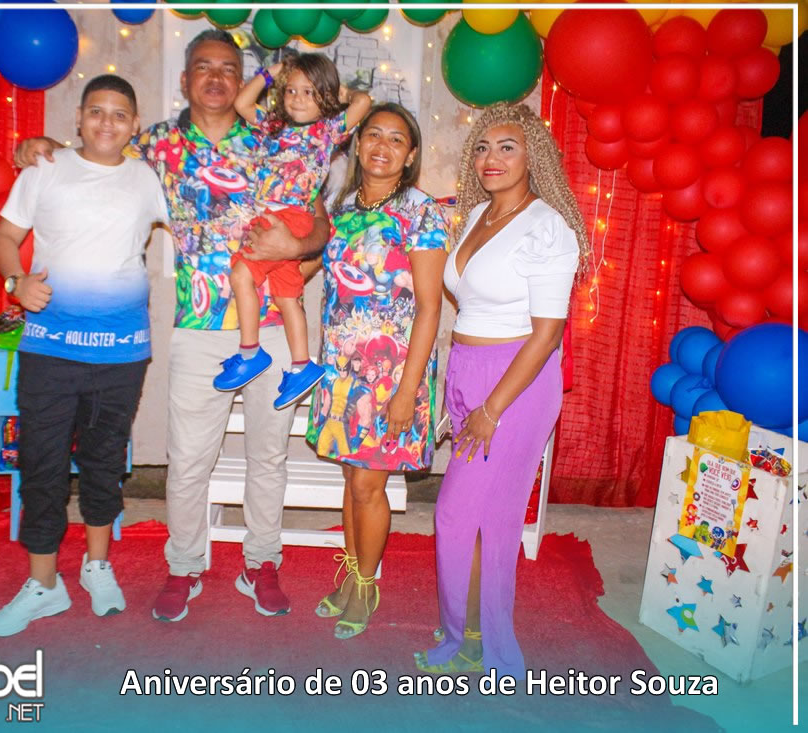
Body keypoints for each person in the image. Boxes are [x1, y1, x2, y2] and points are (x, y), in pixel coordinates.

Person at [15, 30, 331, 622]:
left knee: (268, 458)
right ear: (185, 80)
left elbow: (319, 222)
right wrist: (44, 147)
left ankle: (261, 563)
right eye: (203, 66)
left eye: (228, 68)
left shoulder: (273, 136)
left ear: (242, 80)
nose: (215, 77)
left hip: (270, 330)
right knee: (187, 462)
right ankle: (185, 566)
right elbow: (95, 156)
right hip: (197, 329)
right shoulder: (154, 146)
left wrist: (297, 244)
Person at [0, 75, 168, 636]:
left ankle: (97, 566)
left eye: (119, 114)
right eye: (96, 111)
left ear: (135, 126)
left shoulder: (148, 178)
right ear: (80, 118)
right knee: (40, 464)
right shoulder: (46, 168)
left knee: (104, 462)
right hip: (50, 348)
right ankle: (44, 584)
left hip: (122, 352)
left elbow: (205, 224)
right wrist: (15, 283)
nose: (107, 122)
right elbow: (3, 237)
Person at [414, 103, 588, 676]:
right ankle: (472, 635)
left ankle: (482, 643)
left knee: (458, 516)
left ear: (532, 156)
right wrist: (460, 389)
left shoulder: (547, 227)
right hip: (470, 372)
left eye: (507, 147)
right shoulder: (476, 215)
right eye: (483, 148)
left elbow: (547, 334)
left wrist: (490, 408)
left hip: (516, 383)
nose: (492, 158)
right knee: (479, 519)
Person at [308, 103, 450, 639]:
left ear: (410, 155)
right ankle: (351, 575)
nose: (382, 146)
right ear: (358, 143)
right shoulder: (342, 207)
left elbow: (430, 309)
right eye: (373, 135)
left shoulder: (421, 213)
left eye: (396, 139)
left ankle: (366, 586)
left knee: (369, 484)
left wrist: (407, 391)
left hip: (392, 375)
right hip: (341, 371)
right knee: (352, 479)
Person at [214, 54, 371, 410]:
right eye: (291, 90)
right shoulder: (273, 126)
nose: (298, 98)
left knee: (241, 275)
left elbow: (363, 103)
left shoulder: (327, 130)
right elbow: (242, 102)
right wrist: (270, 73)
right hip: (285, 218)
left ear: (325, 97)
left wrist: (340, 93)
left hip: (285, 217)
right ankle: (302, 365)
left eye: (309, 92)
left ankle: (250, 352)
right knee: (286, 297)